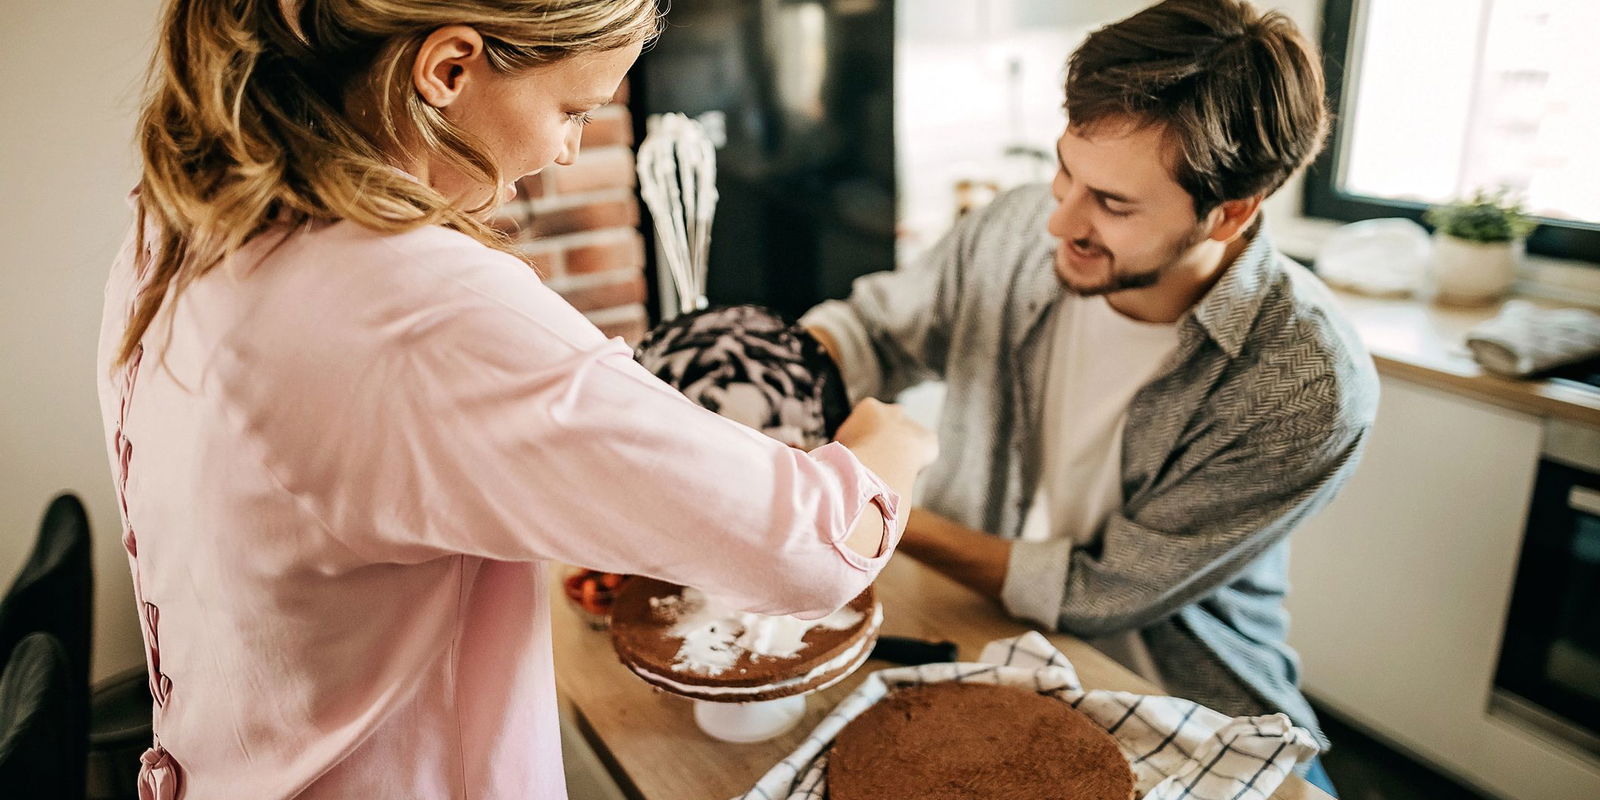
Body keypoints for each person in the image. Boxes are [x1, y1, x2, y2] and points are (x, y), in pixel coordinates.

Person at [96, 1, 936, 797]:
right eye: (573, 110)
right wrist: (888, 440)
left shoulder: (175, 221)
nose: (567, 151)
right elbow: (813, 546)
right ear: (449, 68)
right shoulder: (417, 308)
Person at [803, 0, 1377, 789]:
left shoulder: (1307, 384)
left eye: (1112, 203)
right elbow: (876, 330)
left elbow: (1101, 591)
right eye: (1065, 170)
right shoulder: (1012, 228)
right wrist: (771, 367)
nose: (1057, 221)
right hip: (969, 629)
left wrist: (870, 506)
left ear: (1230, 213)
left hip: (1181, 699)